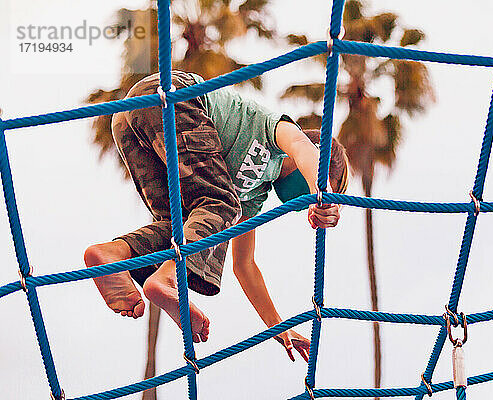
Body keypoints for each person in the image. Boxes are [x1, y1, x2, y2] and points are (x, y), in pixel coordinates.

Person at [84, 71, 349, 362]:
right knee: (222, 205)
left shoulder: (253, 195)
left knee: (180, 227)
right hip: (177, 97)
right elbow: (300, 146)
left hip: (131, 124)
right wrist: (321, 191)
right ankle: (170, 277)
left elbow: (245, 266)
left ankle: (113, 253)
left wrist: (279, 328)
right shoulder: (278, 131)